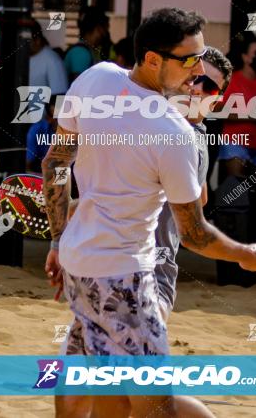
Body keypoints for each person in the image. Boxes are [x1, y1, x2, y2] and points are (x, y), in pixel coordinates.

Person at [42, 8, 256, 418]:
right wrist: (245, 253)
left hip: (82, 264)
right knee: (156, 409)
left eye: (201, 58)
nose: (196, 70)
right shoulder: (174, 132)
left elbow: (55, 163)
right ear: (153, 59)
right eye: (188, 60)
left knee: (107, 396)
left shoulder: (96, 77)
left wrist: (59, 239)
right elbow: (195, 234)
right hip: (124, 276)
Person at [56, 47, 233, 418]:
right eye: (195, 78)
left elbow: (191, 211)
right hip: (105, 273)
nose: (197, 88)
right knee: (80, 392)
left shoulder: (187, 137)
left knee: (132, 397)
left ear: (216, 103)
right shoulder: (152, 120)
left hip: (146, 276)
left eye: (209, 87)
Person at [219, 34, 256, 177]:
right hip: (235, 142)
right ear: (245, 57)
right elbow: (216, 109)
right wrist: (251, 115)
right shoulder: (231, 80)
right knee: (237, 186)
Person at [64, 7, 110, 83]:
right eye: (105, 28)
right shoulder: (81, 53)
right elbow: (79, 87)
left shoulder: (87, 51)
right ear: (98, 28)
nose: (106, 33)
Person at [29, 23, 68, 94]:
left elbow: (58, 95)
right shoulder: (20, 58)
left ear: (37, 40)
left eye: (26, 40)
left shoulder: (52, 60)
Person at [25, 99, 57, 173]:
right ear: (48, 118)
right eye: (56, 118)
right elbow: (28, 167)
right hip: (42, 174)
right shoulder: (36, 131)